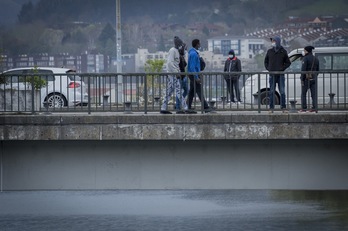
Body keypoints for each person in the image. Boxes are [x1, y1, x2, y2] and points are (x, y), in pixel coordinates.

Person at [160, 36, 188, 114]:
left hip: (173, 73)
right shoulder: (173, 51)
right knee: (178, 90)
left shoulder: (176, 51)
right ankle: (185, 107)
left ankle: (163, 107)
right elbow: (170, 63)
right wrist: (176, 72)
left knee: (169, 91)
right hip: (173, 74)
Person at [264, 36, 291, 112]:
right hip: (272, 74)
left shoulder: (283, 51)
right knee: (271, 91)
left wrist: (282, 68)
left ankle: (283, 107)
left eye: (274, 41)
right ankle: (271, 107)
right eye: (272, 41)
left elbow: (288, 62)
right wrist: (268, 68)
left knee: (282, 91)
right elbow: (266, 61)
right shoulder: (269, 51)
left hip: (280, 75)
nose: (272, 43)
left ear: (278, 42)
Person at [187, 39, 212, 113]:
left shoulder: (192, 52)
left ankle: (187, 107)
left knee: (191, 92)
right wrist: (196, 77)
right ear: (197, 44)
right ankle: (206, 107)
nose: (200, 45)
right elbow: (192, 67)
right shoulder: (194, 54)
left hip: (192, 74)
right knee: (199, 91)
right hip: (194, 75)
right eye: (199, 44)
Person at [299, 46, 319, 113]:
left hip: (306, 79)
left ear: (307, 51)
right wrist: (314, 76)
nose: (304, 52)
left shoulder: (305, 58)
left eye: (304, 51)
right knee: (313, 94)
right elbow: (318, 70)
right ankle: (314, 108)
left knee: (303, 94)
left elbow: (303, 70)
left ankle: (304, 108)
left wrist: (302, 79)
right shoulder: (316, 59)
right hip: (314, 79)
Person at [175, 43, 188, 110]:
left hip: (183, 76)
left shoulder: (182, 57)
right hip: (180, 76)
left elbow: (185, 64)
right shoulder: (179, 57)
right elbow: (182, 65)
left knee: (186, 90)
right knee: (179, 92)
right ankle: (177, 106)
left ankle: (179, 103)